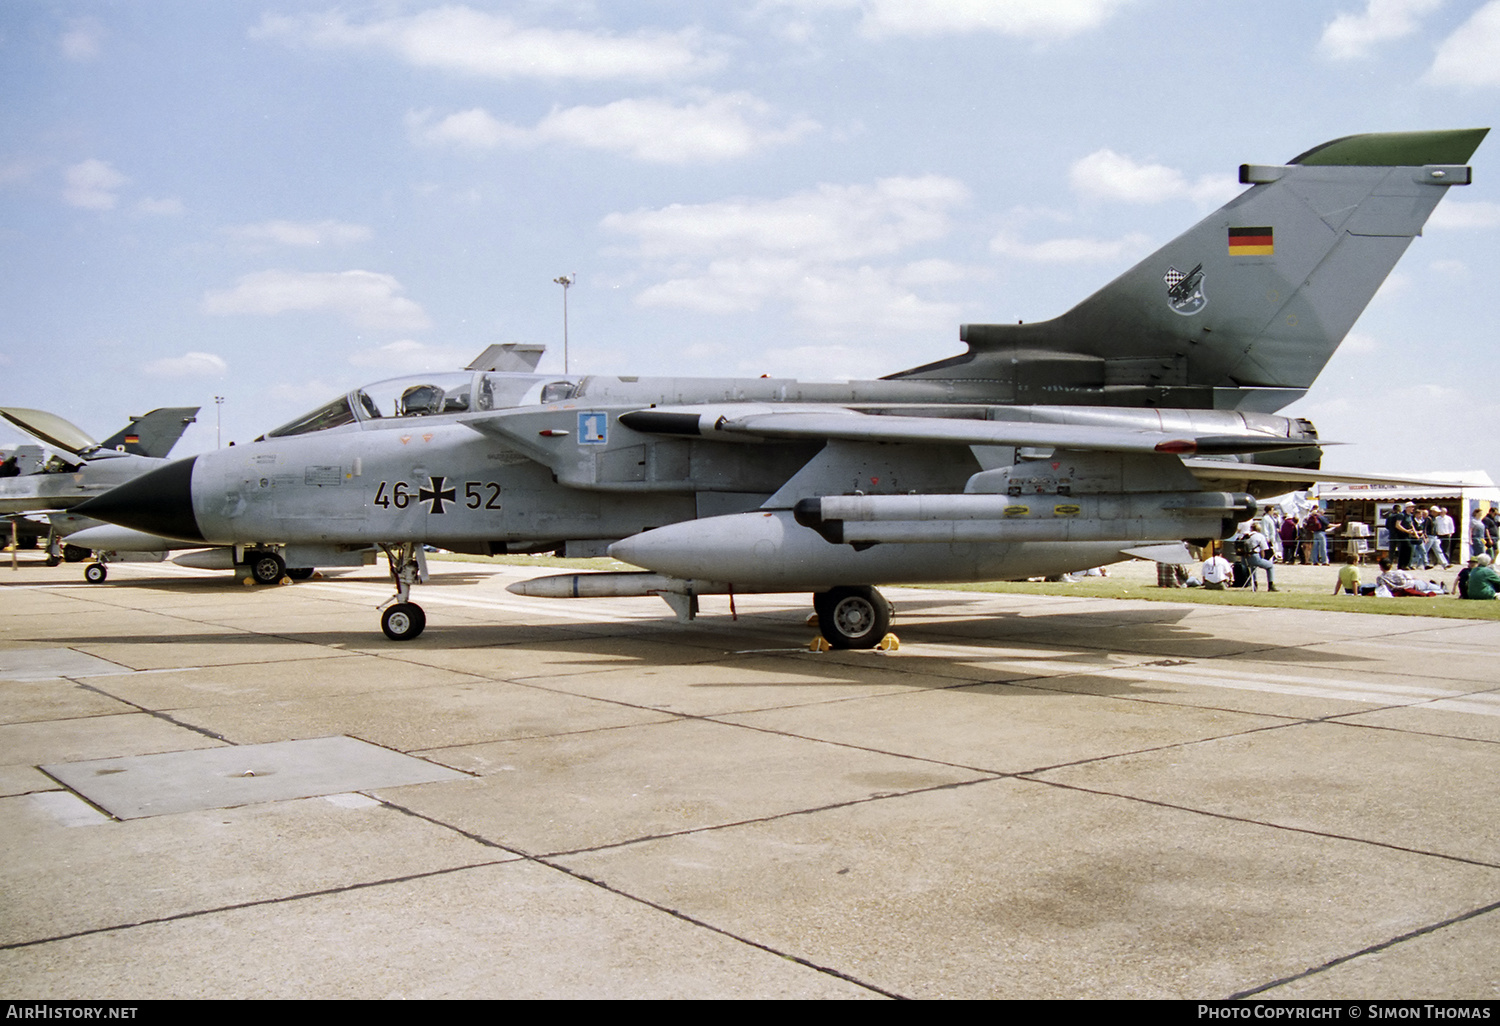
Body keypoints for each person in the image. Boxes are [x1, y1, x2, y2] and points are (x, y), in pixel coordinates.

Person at [1374, 559, 1443, 597]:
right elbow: (1413, 577)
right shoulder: (1399, 572)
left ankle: (1435, 588)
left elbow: (1382, 589)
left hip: (1403, 589)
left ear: (1381, 567)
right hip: (1412, 585)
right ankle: (1439, 588)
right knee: (1435, 587)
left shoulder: (1380, 578)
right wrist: (1424, 580)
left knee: (1427, 588)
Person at [1242, 523, 1277, 591]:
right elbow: (1263, 550)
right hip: (1254, 557)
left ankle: (1255, 584)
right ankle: (1271, 585)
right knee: (1270, 566)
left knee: (1253, 567)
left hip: (1244, 559)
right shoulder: (1260, 536)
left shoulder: (1246, 536)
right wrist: (1263, 559)